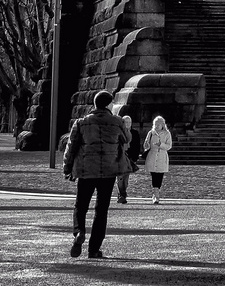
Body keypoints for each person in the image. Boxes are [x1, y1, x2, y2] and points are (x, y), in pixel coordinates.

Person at [63, 89, 130, 259]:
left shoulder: (82, 122)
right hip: (108, 170)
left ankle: (79, 232)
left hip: (86, 170)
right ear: (109, 104)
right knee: (101, 210)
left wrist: (67, 167)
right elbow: (126, 139)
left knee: (81, 205)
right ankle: (94, 249)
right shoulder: (117, 122)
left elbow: (71, 147)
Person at [142, 115, 174, 204]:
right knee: (154, 175)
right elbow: (146, 144)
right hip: (152, 155)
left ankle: (157, 192)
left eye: (158, 124)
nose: (156, 126)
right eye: (155, 124)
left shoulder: (167, 133)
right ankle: (155, 193)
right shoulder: (151, 133)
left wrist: (161, 144)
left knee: (159, 175)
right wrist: (146, 145)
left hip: (162, 156)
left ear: (162, 125)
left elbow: (169, 146)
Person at [115, 114, 140, 203]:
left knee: (126, 178)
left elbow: (137, 147)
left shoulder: (135, 133)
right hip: (120, 157)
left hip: (130, 158)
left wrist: (135, 158)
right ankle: (122, 195)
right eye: (126, 122)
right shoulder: (118, 132)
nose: (128, 124)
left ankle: (122, 193)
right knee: (120, 177)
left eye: (129, 122)